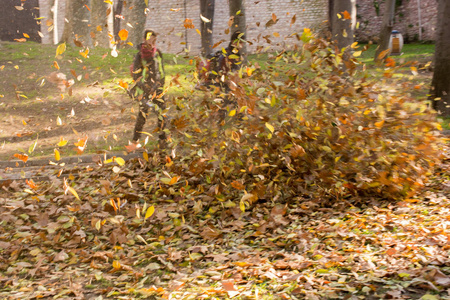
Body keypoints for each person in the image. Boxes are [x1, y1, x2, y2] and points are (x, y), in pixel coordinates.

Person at [130, 29, 166, 145]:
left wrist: (158, 85)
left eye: (154, 40)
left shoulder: (158, 53)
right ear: (144, 40)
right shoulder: (140, 55)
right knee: (142, 115)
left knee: (162, 114)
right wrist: (146, 88)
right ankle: (135, 140)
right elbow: (136, 75)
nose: (153, 43)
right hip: (144, 91)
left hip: (158, 89)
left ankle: (162, 140)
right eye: (151, 40)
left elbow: (162, 71)